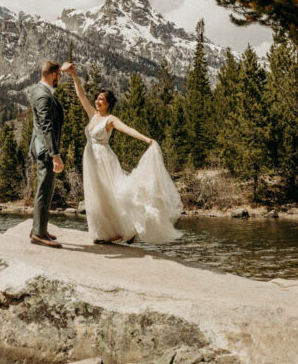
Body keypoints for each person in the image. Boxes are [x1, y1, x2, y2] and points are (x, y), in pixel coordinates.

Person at [64, 64, 182, 245]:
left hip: (104, 159)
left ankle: (127, 229)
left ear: (108, 103)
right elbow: (81, 96)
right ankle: (106, 232)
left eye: (101, 99)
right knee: (97, 197)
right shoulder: (93, 116)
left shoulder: (110, 120)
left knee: (112, 194)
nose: (97, 101)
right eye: (97, 99)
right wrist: (74, 76)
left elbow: (127, 129)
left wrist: (146, 139)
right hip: (91, 160)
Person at [27, 60, 67, 248]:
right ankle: (38, 234)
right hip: (45, 150)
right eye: (60, 75)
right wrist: (55, 154)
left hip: (41, 147)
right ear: (53, 74)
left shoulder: (38, 90)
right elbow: (46, 126)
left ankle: (40, 227)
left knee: (46, 189)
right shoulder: (43, 96)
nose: (60, 78)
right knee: (45, 189)